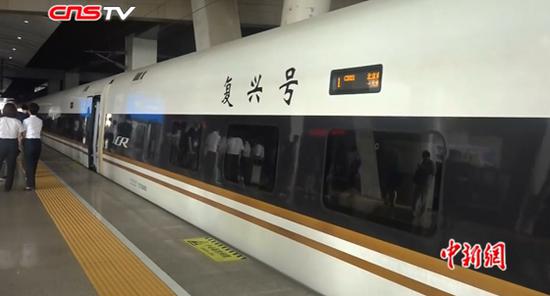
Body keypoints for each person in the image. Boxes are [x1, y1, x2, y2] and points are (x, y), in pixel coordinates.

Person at [0, 103, 24, 192]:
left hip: (1, 143)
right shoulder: (17, 121)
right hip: (12, 144)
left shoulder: (0, 120)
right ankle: (8, 188)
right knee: (11, 167)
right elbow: (21, 135)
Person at [22, 103, 43, 191]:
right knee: (34, 163)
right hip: (38, 142)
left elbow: (24, 133)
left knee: (28, 163)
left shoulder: (26, 120)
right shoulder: (40, 121)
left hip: (29, 142)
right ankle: (31, 181)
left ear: (29, 111)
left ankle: (30, 185)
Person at [412, 150, 435, 216]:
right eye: (423, 156)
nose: (423, 157)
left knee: (423, 198)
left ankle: (421, 212)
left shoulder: (431, 163)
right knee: (416, 197)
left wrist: (421, 168)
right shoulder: (423, 162)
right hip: (420, 182)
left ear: (427, 156)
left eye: (424, 156)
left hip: (425, 183)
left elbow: (432, 173)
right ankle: (414, 210)